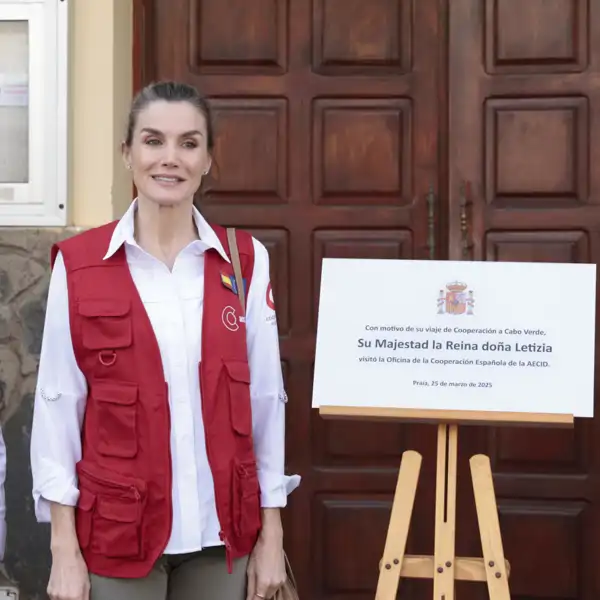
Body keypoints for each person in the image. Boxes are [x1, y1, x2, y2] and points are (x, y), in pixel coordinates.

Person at [30, 80, 300, 600]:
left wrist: (272, 535)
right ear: (128, 154)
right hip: (115, 538)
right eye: (153, 141)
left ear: (208, 159)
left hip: (221, 538)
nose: (169, 159)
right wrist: (63, 550)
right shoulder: (80, 265)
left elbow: (266, 402)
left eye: (188, 143)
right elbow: (58, 407)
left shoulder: (244, 262)